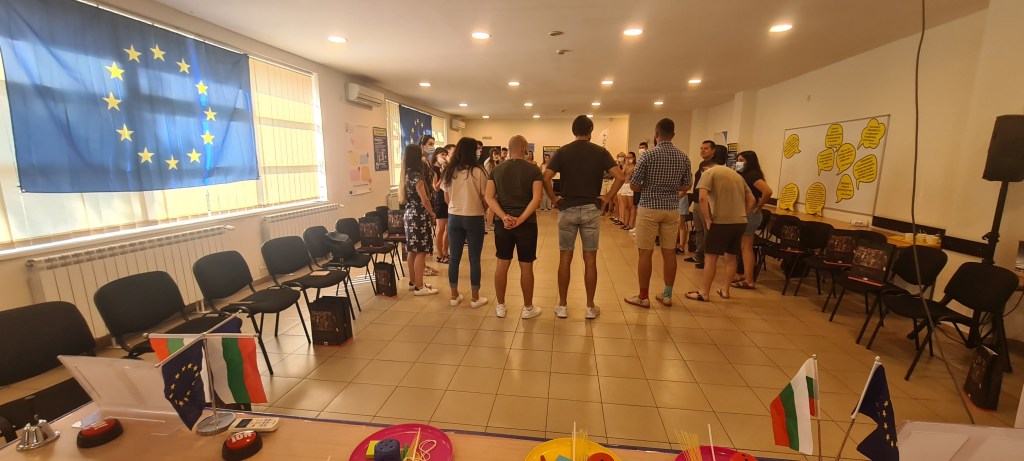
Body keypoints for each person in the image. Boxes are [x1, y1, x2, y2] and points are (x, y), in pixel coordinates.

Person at [543, 115, 624, 319]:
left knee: (565, 258)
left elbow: (546, 177)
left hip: (567, 208)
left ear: (573, 131)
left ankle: (562, 305)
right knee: (590, 259)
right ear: (590, 131)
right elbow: (620, 176)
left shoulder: (563, 151)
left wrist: (553, 198)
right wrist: (607, 198)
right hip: (591, 209)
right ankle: (589, 306)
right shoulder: (600, 152)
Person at [624, 119, 692, 308]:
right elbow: (687, 184)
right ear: (673, 135)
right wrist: (671, 188)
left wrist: (649, 187)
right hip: (671, 209)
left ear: (656, 134)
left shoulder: (648, 155)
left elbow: (634, 184)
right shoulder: (683, 156)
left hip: (649, 208)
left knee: (645, 252)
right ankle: (667, 295)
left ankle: (643, 296)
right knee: (669, 252)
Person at [485, 135, 543, 319]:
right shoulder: (533, 169)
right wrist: (521, 219)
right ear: (525, 148)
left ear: (509, 149)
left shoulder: (497, 169)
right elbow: (537, 199)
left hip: (503, 224)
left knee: (502, 263)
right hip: (527, 224)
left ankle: (500, 306)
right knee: (526, 266)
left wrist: (503, 217)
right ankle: (528, 308)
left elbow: (489, 197)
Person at [686, 160, 755, 302]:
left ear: (705, 168)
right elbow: (752, 199)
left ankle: (704, 293)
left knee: (710, 258)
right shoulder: (737, 175)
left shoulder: (709, 173)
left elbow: (702, 198)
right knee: (731, 257)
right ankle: (725, 290)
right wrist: (743, 215)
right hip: (739, 222)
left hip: (720, 222)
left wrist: (707, 219)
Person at [442, 137, 490, 309]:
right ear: (471, 151)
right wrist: (481, 209)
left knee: (454, 258)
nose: (478, 152)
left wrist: (457, 206)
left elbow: (446, 198)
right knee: (474, 259)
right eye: (476, 149)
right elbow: (485, 197)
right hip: (474, 216)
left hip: (454, 217)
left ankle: (454, 296)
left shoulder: (449, 170)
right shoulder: (479, 171)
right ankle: (475, 298)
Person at [399, 144, 438, 296]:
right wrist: (432, 213)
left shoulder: (406, 174)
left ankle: (413, 282)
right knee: (421, 251)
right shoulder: (417, 175)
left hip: (409, 214)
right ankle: (419, 287)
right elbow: (425, 199)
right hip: (419, 216)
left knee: (412, 250)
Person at [731, 151, 773, 289]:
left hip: (750, 213)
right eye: (738, 160)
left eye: (742, 160)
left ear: (750, 162)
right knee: (743, 247)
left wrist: (759, 206)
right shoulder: (744, 175)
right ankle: (745, 275)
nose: (739, 163)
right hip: (744, 212)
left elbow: (767, 191)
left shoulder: (752, 175)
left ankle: (749, 280)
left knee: (746, 247)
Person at [685, 140, 722, 269]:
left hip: (706, 202)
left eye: (706, 148)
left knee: (707, 231)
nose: (702, 151)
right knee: (699, 230)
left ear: (713, 151)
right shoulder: (702, 164)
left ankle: (707, 259)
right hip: (697, 201)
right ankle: (699, 254)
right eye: (701, 148)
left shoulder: (715, 166)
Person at [431, 147, 450, 264]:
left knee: (448, 229)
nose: (444, 157)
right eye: (442, 154)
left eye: (445, 155)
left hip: (447, 200)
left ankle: (445, 252)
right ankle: (440, 254)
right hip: (439, 201)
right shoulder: (433, 169)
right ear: (436, 155)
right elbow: (436, 188)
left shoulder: (444, 168)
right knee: (440, 229)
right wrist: (442, 175)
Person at [616, 151, 637, 230]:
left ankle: (631, 225)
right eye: (627, 157)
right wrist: (624, 166)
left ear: (633, 158)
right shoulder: (626, 166)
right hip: (624, 185)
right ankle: (626, 223)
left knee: (631, 207)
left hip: (631, 186)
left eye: (630, 157)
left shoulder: (635, 166)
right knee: (625, 206)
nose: (628, 159)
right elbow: (621, 175)